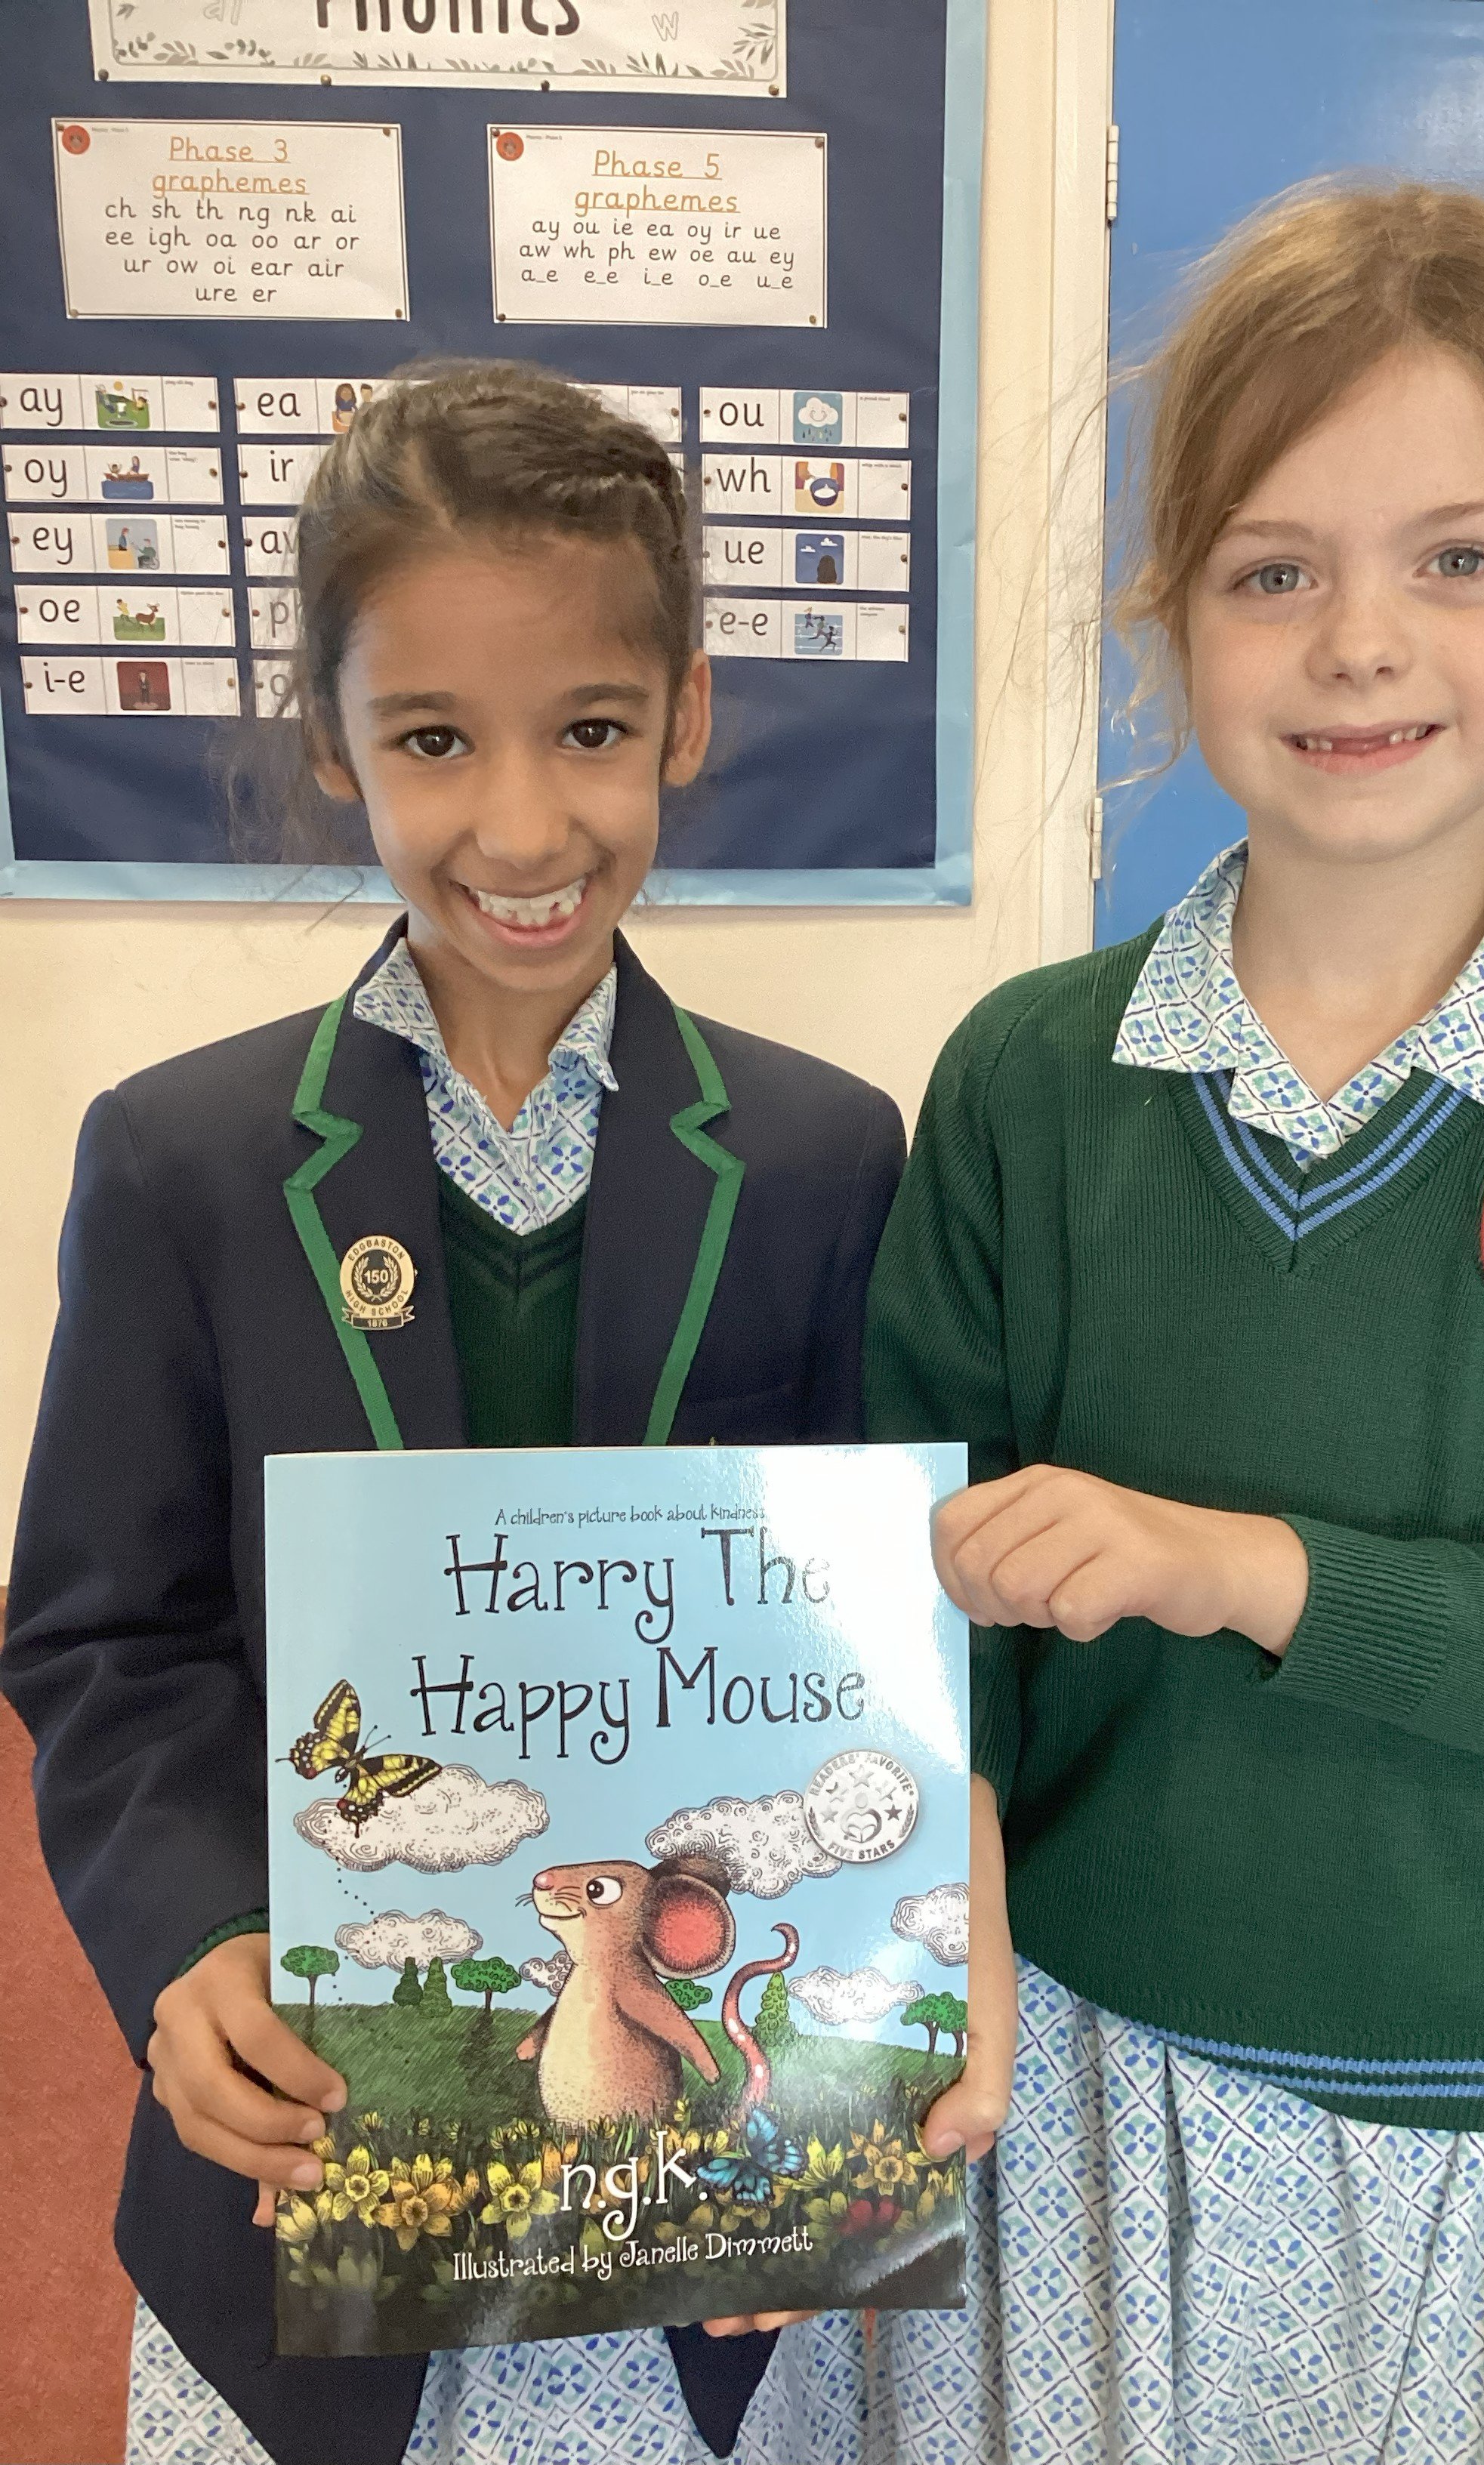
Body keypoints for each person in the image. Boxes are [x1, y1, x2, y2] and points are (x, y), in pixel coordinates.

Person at [835, 183, 1484, 2462]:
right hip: (1088, 2085)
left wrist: (1228, 1565)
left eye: (1460, 557)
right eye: (1273, 570)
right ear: (1171, 618)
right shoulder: (1028, 1081)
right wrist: (939, 1869)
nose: (1361, 644)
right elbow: (920, 1598)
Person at [2, 363, 906, 2465]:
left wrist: (833, 2101)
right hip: (308, 2187)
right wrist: (199, 1938)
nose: (518, 825)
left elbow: (872, 1662)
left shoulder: (823, 1159)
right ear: (333, 744)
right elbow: (107, 1635)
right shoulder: (187, 1161)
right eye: (432, 740)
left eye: (589, 730)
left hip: (698, 2262)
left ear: (684, 715)